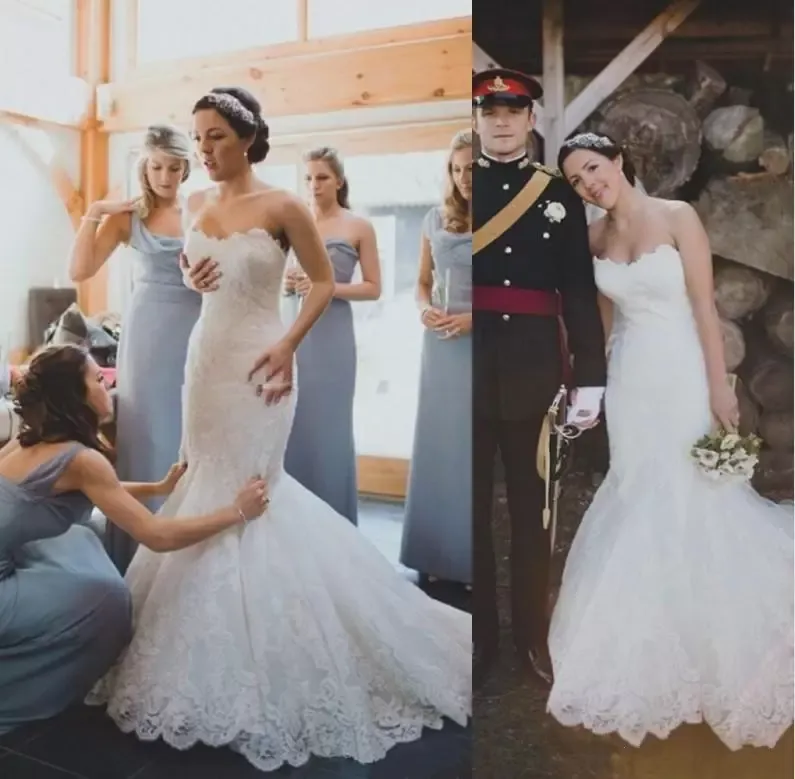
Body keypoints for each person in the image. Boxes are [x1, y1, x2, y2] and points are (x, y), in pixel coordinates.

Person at [86, 86, 471, 773]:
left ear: (248, 139)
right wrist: (190, 269)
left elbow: (320, 283)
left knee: (256, 488)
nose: (203, 152)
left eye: (216, 139)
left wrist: (290, 346)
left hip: (264, 359)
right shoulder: (197, 206)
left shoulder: (284, 205)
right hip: (205, 358)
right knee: (205, 476)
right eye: (197, 138)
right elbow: (196, 268)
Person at [548, 131, 793, 751]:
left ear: (620, 161)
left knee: (695, 493)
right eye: (578, 181)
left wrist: (720, 390)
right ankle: (654, 634)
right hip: (632, 379)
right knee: (640, 488)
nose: (591, 184)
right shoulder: (593, 237)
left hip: (682, 368)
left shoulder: (677, 216)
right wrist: (587, 387)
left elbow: (706, 307)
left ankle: (720, 636)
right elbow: (602, 319)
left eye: (594, 169)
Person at [0, 344, 268, 734]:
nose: (107, 385)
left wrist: (157, 486)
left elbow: (95, 489)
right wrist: (237, 511)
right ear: (76, 396)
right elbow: (157, 536)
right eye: (97, 379)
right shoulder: (80, 459)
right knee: (107, 603)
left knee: (80, 539)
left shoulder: (26, 441)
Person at [471, 69, 608, 689]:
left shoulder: (558, 194)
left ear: (531, 120)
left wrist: (592, 379)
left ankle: (534, 636)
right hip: (468, 371)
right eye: (489, 110)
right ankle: (478, 642)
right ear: (478, 117)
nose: (500, 120)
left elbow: (578, 290)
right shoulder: (459, 185)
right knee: (471, 512)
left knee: (536, 514)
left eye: (512, 110)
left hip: (537, 372)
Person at [68, 125, 203, 574]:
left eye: (174, 166)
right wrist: (95, 211)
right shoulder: (130, 216)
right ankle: (139, 557)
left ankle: (187, 550)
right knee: (147, 432)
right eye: (156, 166)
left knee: (192, 431)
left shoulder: (202, 212)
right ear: (145, 165)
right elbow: (79, 269)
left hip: (199, 329)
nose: (165, 176)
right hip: (148, 334)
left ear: (187, 167)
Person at [283, 146, 381, 524]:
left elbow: (373, 287)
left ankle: (334, 521)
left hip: (334, 336)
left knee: (330, 428)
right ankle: (293, 522)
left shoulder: (358, 226)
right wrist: (289, 283)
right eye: (307, 178)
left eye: (321, 177)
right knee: (293, 424)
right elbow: (283, 279)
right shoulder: (293, 223)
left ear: (339, 180)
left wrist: (327, 287)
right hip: (293, 329)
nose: (313, 185)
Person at [400, 129, 473, 588]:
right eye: (457, 169)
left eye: (473, 169)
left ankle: (468, 561)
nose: (465, 177)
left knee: (469, 449)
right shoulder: (434, 218)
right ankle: (432, 555)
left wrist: (473, 320)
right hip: (440, 343)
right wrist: (423, 307)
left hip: (481, 340)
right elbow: (422, 281)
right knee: (437, 444)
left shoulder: (505, 220)